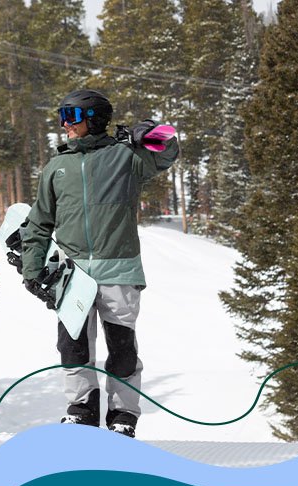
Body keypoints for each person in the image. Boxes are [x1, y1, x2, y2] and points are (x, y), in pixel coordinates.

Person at [19, 89, 179, 438]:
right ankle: (81, 410)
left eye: (72, 116)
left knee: (122, 348)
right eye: (62, 115)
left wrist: (146, 132)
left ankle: (123, 415)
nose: (64, 124)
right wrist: (32, 269)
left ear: (94, 119)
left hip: (119, 268)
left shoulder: (126, 157)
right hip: (72, 274)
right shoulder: (56, 167)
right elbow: (39, 223)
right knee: (72, 346)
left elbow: (169, 148)